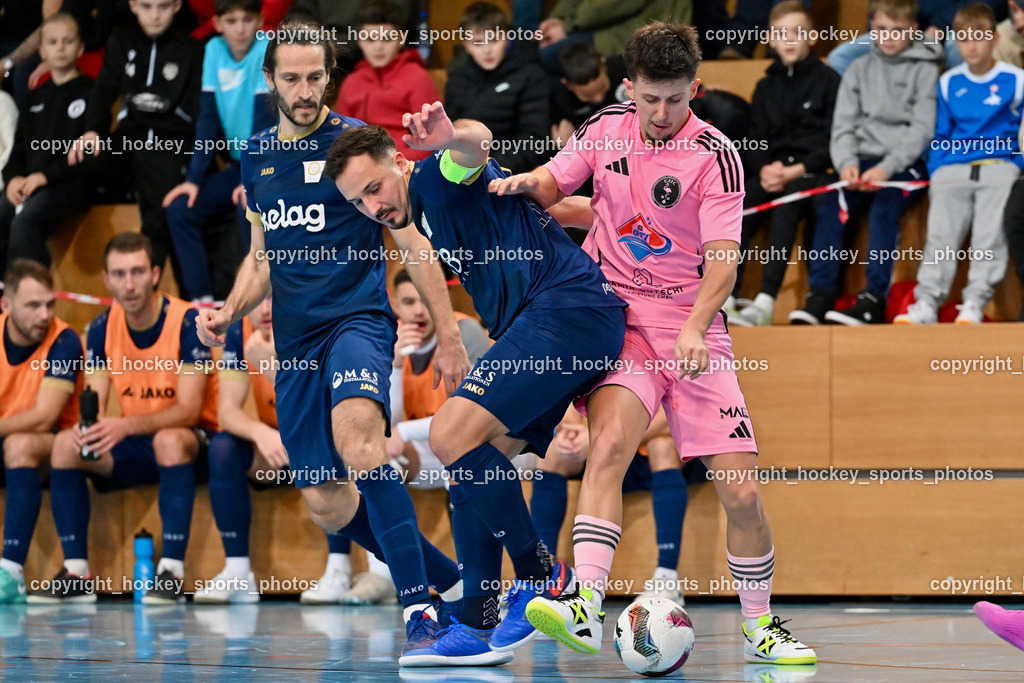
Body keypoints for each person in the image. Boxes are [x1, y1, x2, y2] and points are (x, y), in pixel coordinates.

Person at [490, 22, 817, 665]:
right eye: (650, 98)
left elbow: (725, 258)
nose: (662, 114)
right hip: (621, 320)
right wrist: (515, 182)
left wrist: (697, 326)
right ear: (629, 88)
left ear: (693, 88)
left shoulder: (715, 153)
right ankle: (584, 604)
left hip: (693, 326)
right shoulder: (605, 128)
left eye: (675, 99)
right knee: (608, 444)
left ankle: (760, 625)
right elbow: (556, 184)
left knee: (742, 492)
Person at [195, 20, 467, 663]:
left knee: (359, 442)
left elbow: (408, 239)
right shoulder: (257, 154)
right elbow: (262, 257)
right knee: (323, 496)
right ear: (270, 80)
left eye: (316, 76)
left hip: (357, 323)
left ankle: (422, 615)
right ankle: (450, 581)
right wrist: (228, 313)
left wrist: (451, 331)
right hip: (295, 341)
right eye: (291, 77)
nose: (305, 89)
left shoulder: (356, 148)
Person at [327, 102, 626, 665]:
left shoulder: (439, 178)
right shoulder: (419, 214)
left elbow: (472, 146)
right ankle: (478, 615)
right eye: (357, 201)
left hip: (566, 313)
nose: (373, 205)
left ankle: (540, 576)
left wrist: (449, 136)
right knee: (468, 467)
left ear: (399, 161)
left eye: (374, 187)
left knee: (448, 433)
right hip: (555, 323)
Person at [29, 233, 219, 604]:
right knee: (66, 446)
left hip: (193, 443)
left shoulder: (187, 320)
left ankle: (172, 573)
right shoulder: (101, 328)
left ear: (155, 274)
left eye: (136, 272)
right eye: (119, 274)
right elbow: (96, 401)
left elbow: (189, 410)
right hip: (133, 443)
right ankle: (77, 572)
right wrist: (90, 428)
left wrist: (122, 426)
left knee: (169, 439)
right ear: (106, 280)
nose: (128, 284)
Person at [789, 0, 942, 325]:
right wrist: (847, 163)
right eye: (881, 28)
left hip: (905, 165)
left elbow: (921, 130)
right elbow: (843, 126)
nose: (887, 37)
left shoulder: (926, 70)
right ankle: (820, 296)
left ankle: (873, 298)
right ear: (872, 25)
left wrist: (885, 168)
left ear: (913, 31)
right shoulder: (858, 69)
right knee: (833, 206)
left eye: (897, 31)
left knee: (884, 211)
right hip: (860, 162)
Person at [895, 4, 1022, 325]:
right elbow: (941, 133)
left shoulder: (1016, 79)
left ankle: (974, 303)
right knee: (940, 235)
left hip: (999, 166)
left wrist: (1014, 164)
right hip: (953, 168)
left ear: (994, 39)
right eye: (964, 38)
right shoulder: (949, 81)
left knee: (988, 236)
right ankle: (926, 303)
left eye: (979, 37)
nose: (972, 46)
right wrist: (938, 169)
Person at [68, 0, 203, 295]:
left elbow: (196, 108)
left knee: (160, 216)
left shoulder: (191, 46)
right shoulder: (121, 37)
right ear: (132, 5)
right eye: (147, 6)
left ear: (177, 5)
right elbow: (103, 89)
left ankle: (145, 296)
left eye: (163, 6)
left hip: (169, 143)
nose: (155, 15)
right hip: (129, 137)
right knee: (81, 160)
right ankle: (127, 188)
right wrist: (91, 131)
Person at [727, 1, 841, 327]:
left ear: (813, 37)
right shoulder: (765, 86)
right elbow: (755, 138)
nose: (789, 39)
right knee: (738, 203)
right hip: (771, 171)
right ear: (770, 40)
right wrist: (763, 168)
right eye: (780, 33)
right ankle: (727, 296)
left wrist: (796, 170)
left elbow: (833, 140)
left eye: (798, 32)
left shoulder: (829, 80)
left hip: (810, 172)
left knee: (787, 205)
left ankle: (765, 300)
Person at [162, 0, 275, 302]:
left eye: (247, 19)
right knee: (179, 209)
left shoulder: (266, 48)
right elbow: (208, 120)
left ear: (261, 20)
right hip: (237, 165)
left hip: (270, 163)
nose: (240, 29)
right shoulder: (213, 50)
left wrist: (252, 181)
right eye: (232, 20)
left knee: (248, 208)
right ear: (217, 23)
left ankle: (251, 301)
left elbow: (264, 125)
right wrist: (194, 180)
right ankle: (202, 303)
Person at [531, 407, 693, 601]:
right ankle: (542, 577)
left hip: (651, 442)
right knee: (553, 453)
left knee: (662, 446)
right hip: (606, 445)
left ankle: (667, 577)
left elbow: (678, 414)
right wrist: (572, 429)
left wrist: (598, 441)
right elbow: (566, 396)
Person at [0, 259, 84, 603]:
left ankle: (10, 572)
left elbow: (43, 416)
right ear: (6, 304)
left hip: (57, 447)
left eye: (50, 304)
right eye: (33, 305)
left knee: (20, 444)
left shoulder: (64, 341)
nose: (44, 314)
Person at [0, 13, 93, 272]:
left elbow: (89, 153)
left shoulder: (91, 92)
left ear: (81, 48)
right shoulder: (34, 98)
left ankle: (31, 298)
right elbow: (18, 150)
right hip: (32, 185)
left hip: (71, 184)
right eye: (52, 42)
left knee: (25, 221)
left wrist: (45, 177)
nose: (60, 48)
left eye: (68, 41)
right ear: (41, 52)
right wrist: (13, 179)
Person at [445, 2, 551, 174]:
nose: (487, 50)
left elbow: (535, 141)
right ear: (465, 44)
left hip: (515, 174)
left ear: (508, 36)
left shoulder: (531, 75)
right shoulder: (458, 79)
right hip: (466, 170)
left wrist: (489, 170)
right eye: (478, 43)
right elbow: (449, 137)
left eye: (494, 40)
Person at [335, 0, 440, 162]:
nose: (378, 46)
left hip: (404, 164)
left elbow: (431, 140)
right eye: (370, 39)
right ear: (359, 40)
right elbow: (339, 136)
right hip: (358, 164)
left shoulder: (417, 77)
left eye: (387, 38)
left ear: (401, 39)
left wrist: (390, 164)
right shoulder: (352, 82)